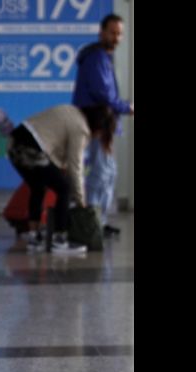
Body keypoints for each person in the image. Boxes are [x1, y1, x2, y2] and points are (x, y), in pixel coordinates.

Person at [7, 104, 116, 254]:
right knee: (64, 188)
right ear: (99, 127)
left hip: (13, 144)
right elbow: (75, 167)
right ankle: (60, 241)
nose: (98, 137)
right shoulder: (82, 128)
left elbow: (56, 153)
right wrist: (80, 201)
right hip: (30, 149)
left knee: (38, 186)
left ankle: (34, 237)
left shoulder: (71, 110)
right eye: (101, 133)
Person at [72, 13, 134, 237]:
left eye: (120, 34)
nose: (117, 38)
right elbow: (103, 94)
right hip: (97, 124)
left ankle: (100, 220)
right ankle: (93, 222)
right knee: (101, 173)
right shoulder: (96, 58)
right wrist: (127, 107)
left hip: (104, 125)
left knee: (108, 173)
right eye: (113, 32)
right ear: (101, 32)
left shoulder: (103, 57)